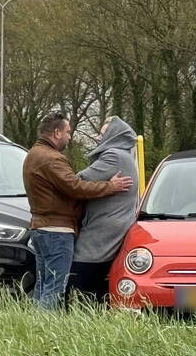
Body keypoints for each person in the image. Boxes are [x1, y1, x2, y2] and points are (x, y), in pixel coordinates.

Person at [22, 112, 133, 310]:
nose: (69, 136)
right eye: (67, 131)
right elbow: (75, 186)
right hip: (57, 230)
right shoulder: (52, 158)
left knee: (44, 283)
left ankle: (34, 324)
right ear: (57, 133)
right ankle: (45, 326)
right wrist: (110, 186)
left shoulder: (34, 154)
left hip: (41, 227)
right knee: (55, 287)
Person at [71, 116, 139, 300]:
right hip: (114, 225)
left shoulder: (113, 156)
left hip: (102, 230)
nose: (97, 138)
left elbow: (78, 181)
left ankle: (81, 310)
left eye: (102, 134)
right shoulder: (125, 155)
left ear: (113, 136)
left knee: (80, 274)